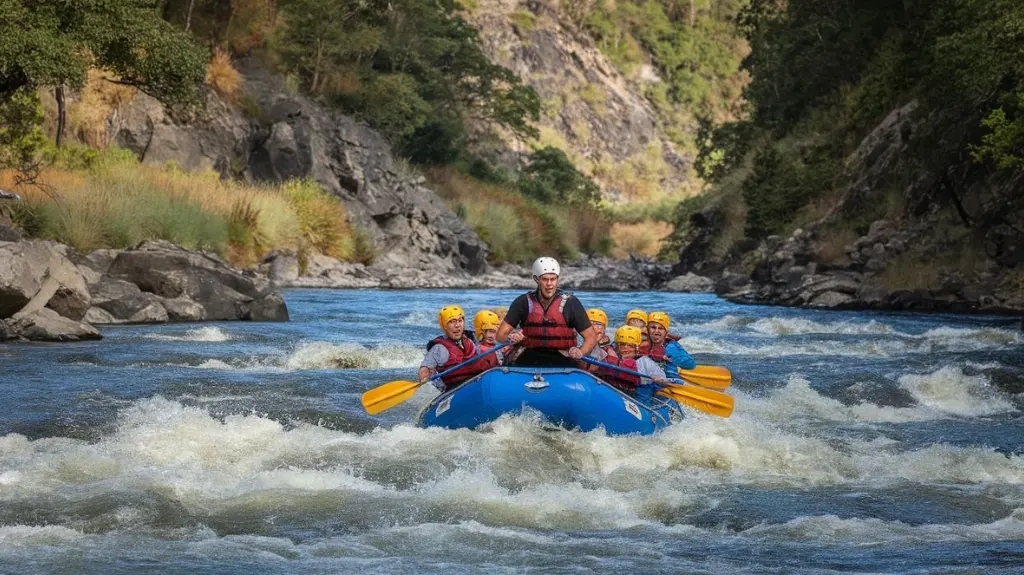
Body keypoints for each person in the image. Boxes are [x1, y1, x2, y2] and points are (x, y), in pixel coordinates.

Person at [496, 256, 598, 367]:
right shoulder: (523, 302)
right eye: (545, 279)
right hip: (528, 355)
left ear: (557, 279)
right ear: (536, 279)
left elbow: (591, 337)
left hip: (562, 356)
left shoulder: (571, 303)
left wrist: (580, 352)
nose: (549, 284)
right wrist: (511, 337)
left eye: (553, 279)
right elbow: (500, 335)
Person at [418, 305, 487, 392]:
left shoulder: (472, 339)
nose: (457, 325)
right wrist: (424, 375)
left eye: (460, 321)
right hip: (454, 390)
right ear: (445, 326)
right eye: (452, 322)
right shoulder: (439, 348)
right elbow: (425, 368)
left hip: (478, 382)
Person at [595, 325, 667, 398]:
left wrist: (658, 379)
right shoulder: (608, 357)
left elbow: (661, 377)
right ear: (617, 346)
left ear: (637, 348)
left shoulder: (645, 362)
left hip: (637, 396)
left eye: (630, 345)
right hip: (612, 392)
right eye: (622, 345)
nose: (626, 348)